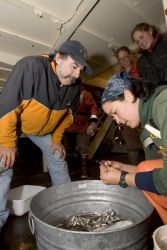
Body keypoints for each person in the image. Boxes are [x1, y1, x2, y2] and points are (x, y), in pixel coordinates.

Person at [0, 40, 92, 232]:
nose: (77, 74)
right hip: (14, 123)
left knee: (58, 157)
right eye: (74, 66)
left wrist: (57, 140)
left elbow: (68, 116)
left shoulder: (74, 85)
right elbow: (8, 105)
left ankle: (67, 208)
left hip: (41, 130)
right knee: (4, 163)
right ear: (58, 58)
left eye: (80, 69)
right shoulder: (30, 67)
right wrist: (7, 142)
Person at [99, 73, 167, 224]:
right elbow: (154, 173)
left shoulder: (164, 103)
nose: (118, 121)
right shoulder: (146, 130)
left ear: (128, 95)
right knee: (145, 177)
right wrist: (123, 168)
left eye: (115, 112)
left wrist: (122, 179)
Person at [116, 46, 143, 165]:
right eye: (121, 58)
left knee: (151, 139)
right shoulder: (119, 76)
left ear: (130, 56)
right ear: (119, 61)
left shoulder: (140, 68)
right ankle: (135, 171)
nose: (124, 60)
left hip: (143, 108)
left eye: (126, 56)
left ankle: (156, 173)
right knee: (131, 142)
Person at [64, 84, 98, 178]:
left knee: (83, 148)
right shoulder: (65, 93)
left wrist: (93, 122)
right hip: (68, 126)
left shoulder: (85, 94)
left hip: (82, 126)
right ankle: (70, 170)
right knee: (69, 149)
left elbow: (93, 108)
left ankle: (84, 170)